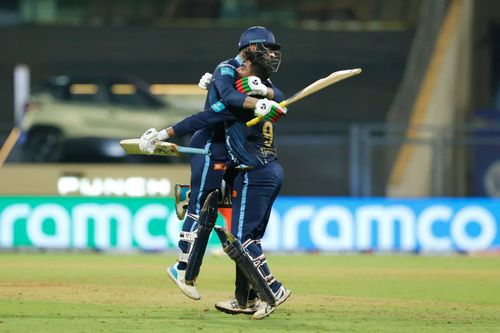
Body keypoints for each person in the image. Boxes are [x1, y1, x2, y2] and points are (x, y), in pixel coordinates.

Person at [139, 26, 286, 302]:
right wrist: (257, 103)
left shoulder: (255, 72)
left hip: (231, 152)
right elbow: (222, 105)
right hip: (210, 146)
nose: (271, 54)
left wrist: (264, 92)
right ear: (249, 49)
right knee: (202, 209)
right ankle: (182, 267)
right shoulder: (228, 68)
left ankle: (245, 297)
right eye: (266, 48)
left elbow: (278, 93)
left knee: (221, 209)